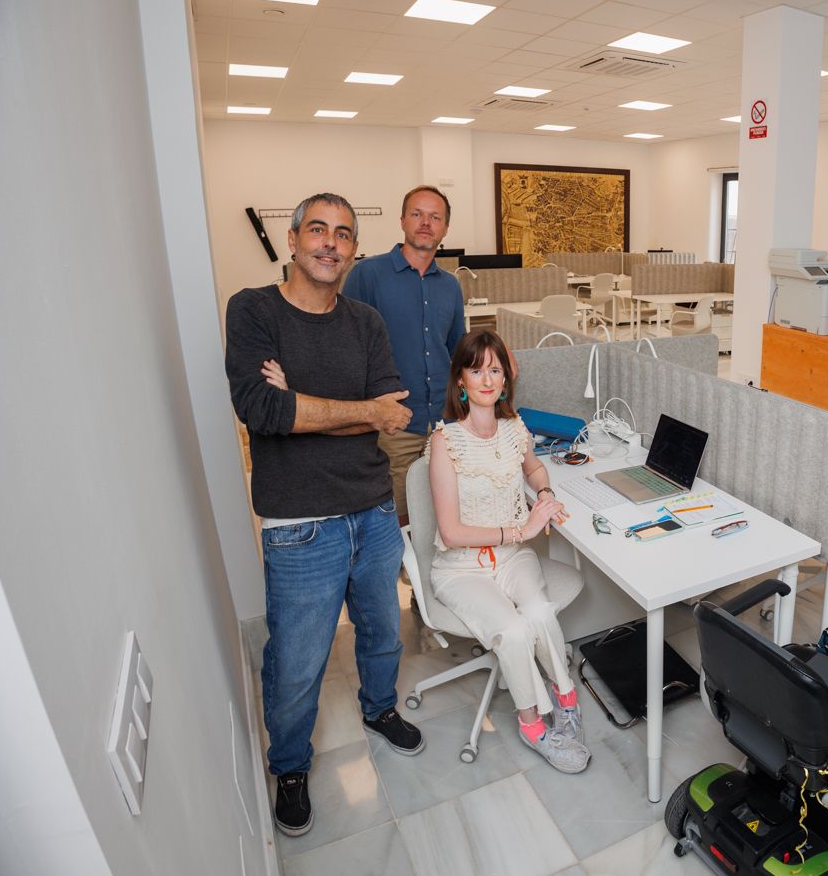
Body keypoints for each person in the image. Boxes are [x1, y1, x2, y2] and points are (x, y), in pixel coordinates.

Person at [225, 192, 425, 838]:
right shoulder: (253, 309)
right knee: (298, 659)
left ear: (353, 249)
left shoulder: (364, 321)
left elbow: (391, 412)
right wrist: (355, 411)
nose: (330, 243)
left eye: (343, 233)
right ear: (292, 239)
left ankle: (378, 708)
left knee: (384, 633)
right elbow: (262, 413)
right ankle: (289, 763)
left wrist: (307, 409)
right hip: (298, 524)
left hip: (370, 510)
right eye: (318, 230)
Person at [426, 329, 590, 773]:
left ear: (505, 379)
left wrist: (545, 492)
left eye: (494, 370)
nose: (486, 378)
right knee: (515, 631)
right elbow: (452, 531)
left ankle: (564, 694)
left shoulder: (514, 428)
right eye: (476, 369)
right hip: (462, 568)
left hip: (513, 559)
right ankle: (533, 725)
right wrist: (522, 528)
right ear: (460, 379)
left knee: (539, 613)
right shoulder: (445, 441)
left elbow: (534, 465)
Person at [342, 185, 465, 528]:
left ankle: (440, 581)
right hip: (397, 426)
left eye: (435, 217)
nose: (426, 223)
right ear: (402, 221)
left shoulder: (450, 285)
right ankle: (410, 581)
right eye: (417, 214)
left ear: (445, 228)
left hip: (446, 422)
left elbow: (457, 350)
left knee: (448, 515)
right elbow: (347, 346)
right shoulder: (368, 275)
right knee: (400, 521)